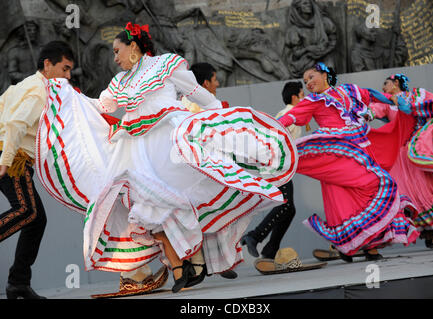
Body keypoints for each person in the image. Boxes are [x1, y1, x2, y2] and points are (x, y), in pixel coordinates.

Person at [35, 22, 297, 293]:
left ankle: (195, 261)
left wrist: (219, 119)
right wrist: (68, 96)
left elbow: (197, 93)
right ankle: (190, 263)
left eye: (117, 51)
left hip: (170, 139)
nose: (114, 58)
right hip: (136, 148)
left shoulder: (165, 64)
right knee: (153, 204)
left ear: (133, 47)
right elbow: (101, 105)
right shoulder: (120, 81)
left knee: (186, 194)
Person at [277, 62, 420, 261]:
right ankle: (350, 245)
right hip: (335, 154)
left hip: (360, 148)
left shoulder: (349, 91)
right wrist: (272, 127)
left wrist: (392, 99)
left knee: (370, 192)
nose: (308, 83)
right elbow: (293, 116)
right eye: (305, 81)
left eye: (311, 77)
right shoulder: (314, 101)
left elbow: (370, 93)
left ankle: (367, 246)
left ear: (325, 74)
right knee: (350, 195)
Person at [0, 41, 74, 299]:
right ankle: (17, 283)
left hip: (11, 156)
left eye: (70, 71)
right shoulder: (38, 90)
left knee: (36, 219)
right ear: (47, 65)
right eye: (64, 69)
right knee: (27, 211)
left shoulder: (21, 87)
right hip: (13, 158)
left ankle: (18, 283)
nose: (68, 76)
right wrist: (5, 159)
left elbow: (2, 109)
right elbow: (15, 123)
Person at [371, 74, 433, 248]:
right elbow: (373, 110)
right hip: (399, 156)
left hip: (417, 150)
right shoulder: (387, 104)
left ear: (396, 83)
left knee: (425, 189)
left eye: (386, 83)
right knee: (404, 193)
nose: (383, 88)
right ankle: (424, 230)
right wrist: (362, 113)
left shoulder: (416, 96)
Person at [180, 62, 238, 286]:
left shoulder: (197, 103)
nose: (218, 83)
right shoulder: (194, 104)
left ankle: (215, 263)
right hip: (199, 170)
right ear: (205, 83)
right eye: (215, 79)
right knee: (208, 214)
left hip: (205, 168)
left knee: (215, 214)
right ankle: (199, 266)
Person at [241, 81, 307, 259]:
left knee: (289, 209)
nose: (305, 98)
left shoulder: (289, 114)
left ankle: (270, 249)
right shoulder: (289, 114)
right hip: (276, 167)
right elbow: (274, 139)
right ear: (295, 97)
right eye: (302, 94)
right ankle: (255, 236)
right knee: (285, 206)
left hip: (278, 166)